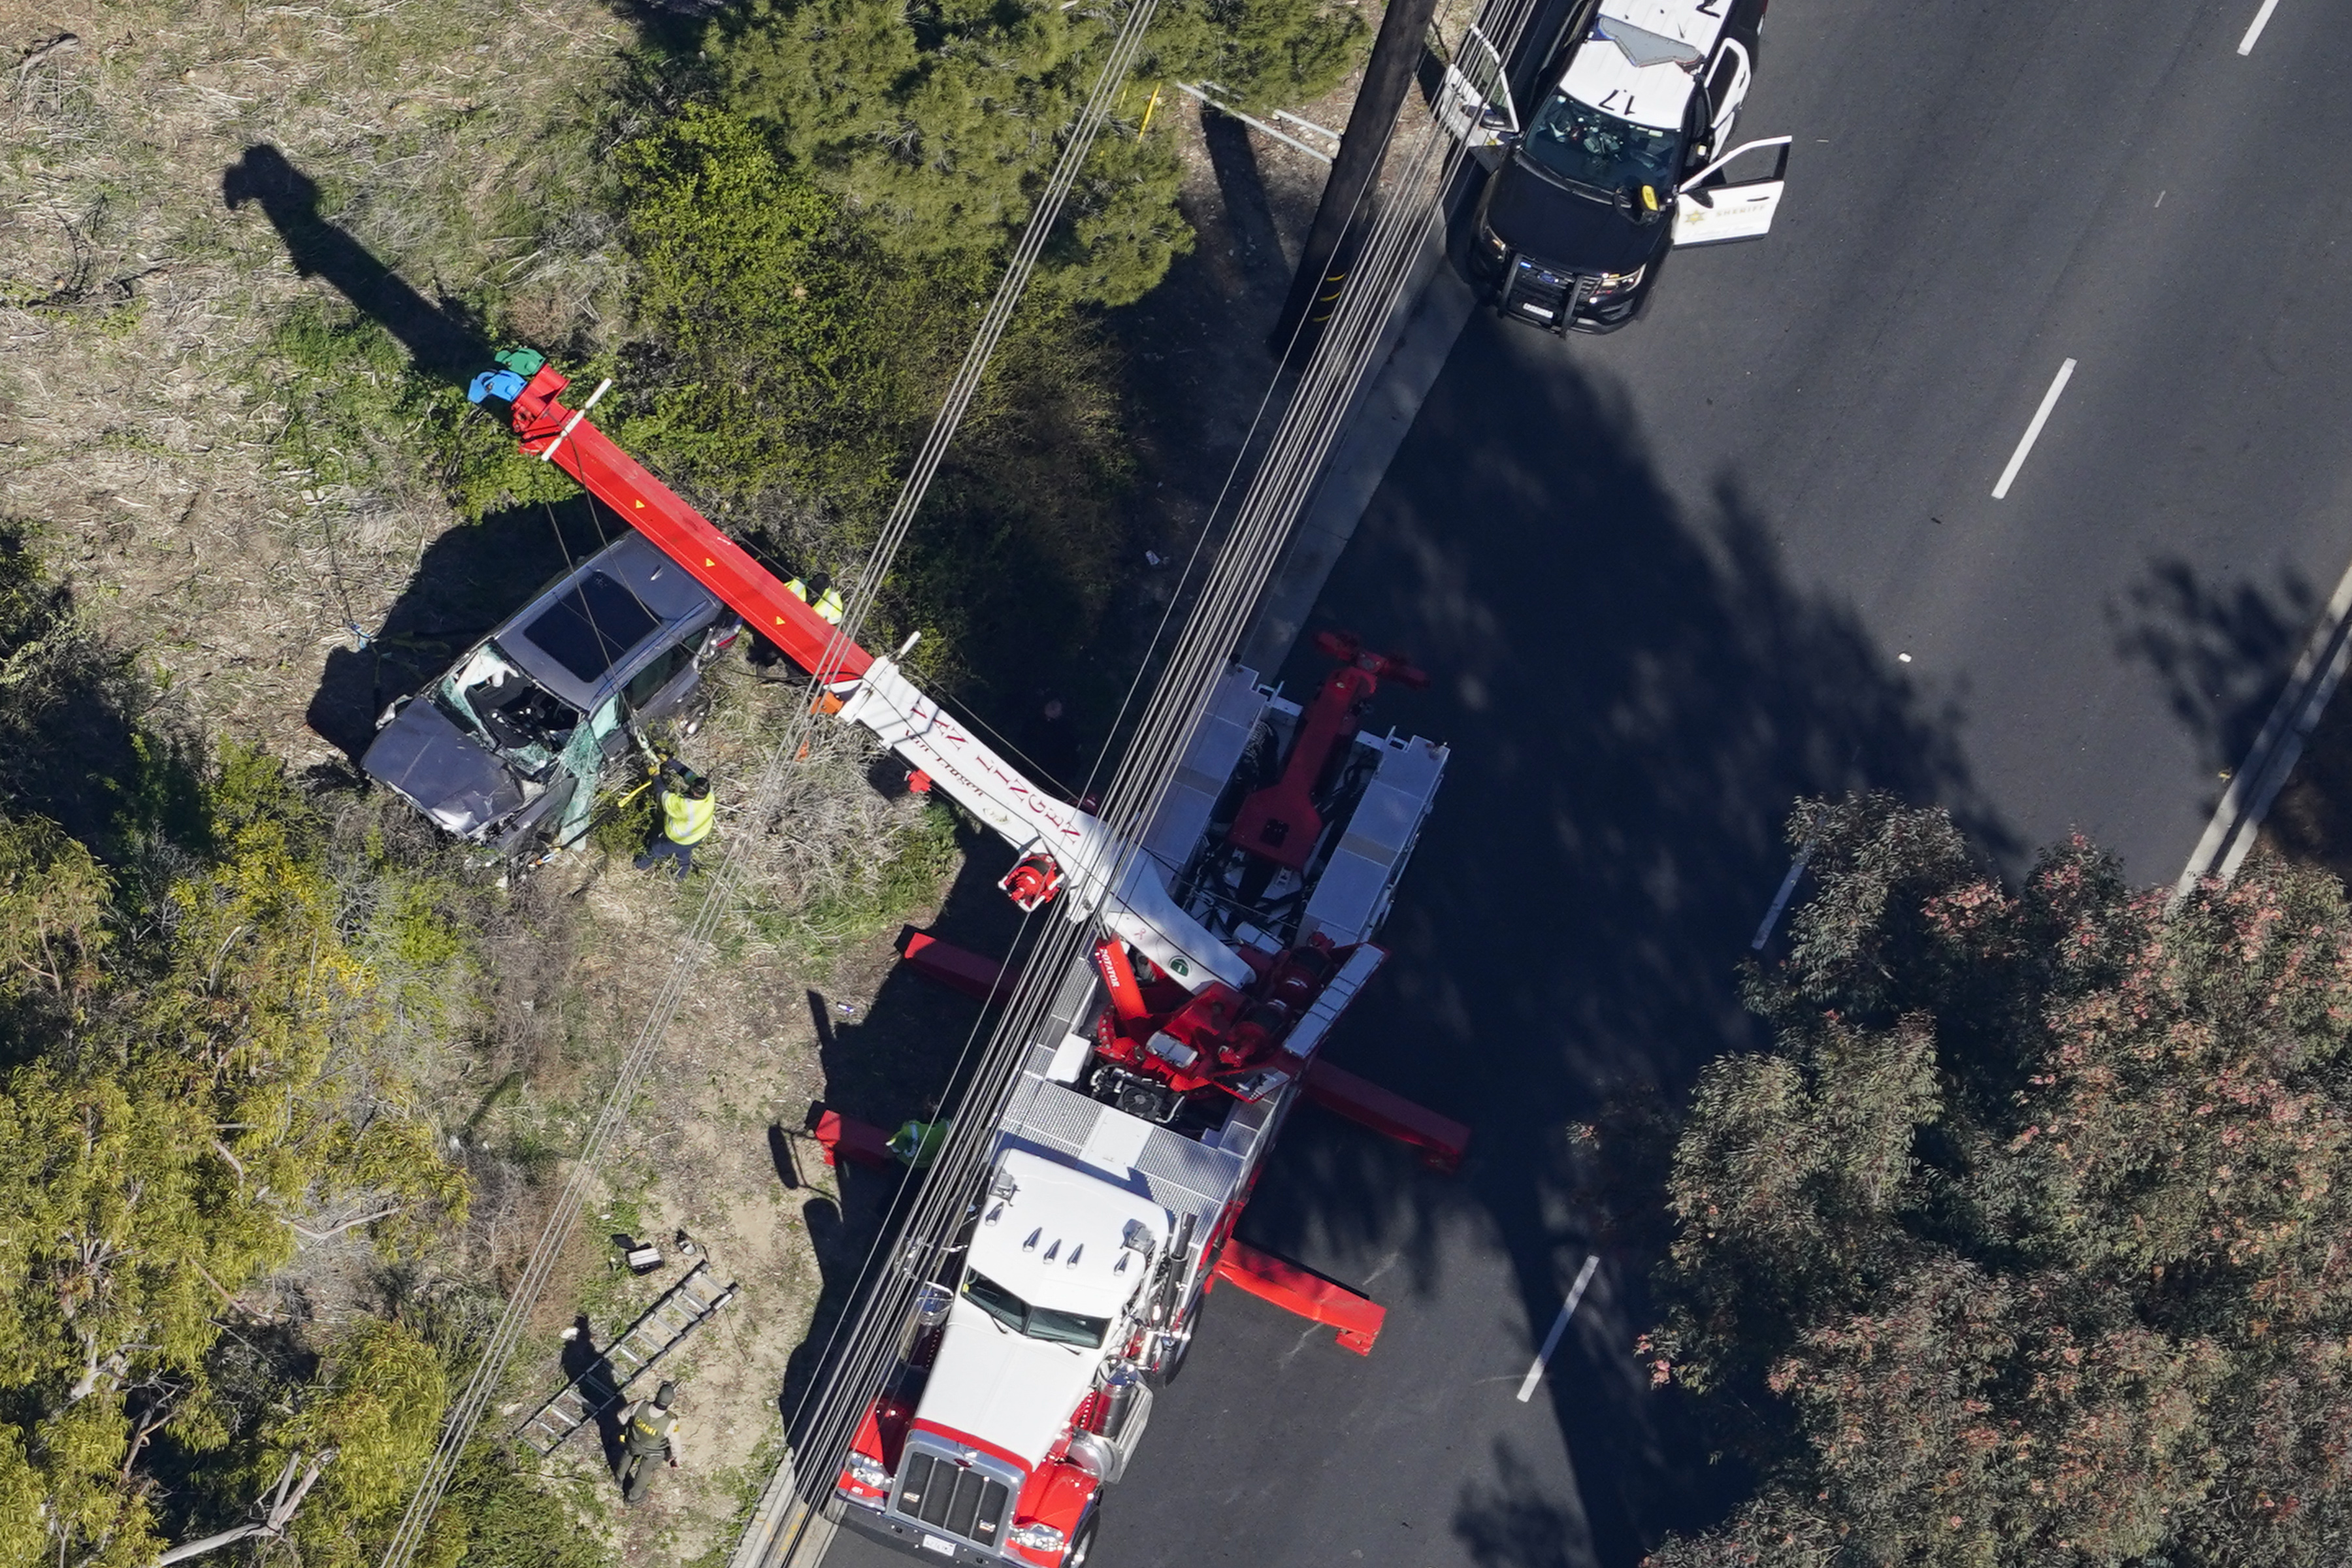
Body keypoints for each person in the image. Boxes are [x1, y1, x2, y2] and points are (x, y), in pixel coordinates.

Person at [634, 759, 713, 878]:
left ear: (695, 793)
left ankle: (640, 865)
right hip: (698, 835)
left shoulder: (686, 806)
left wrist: (655, 776)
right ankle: (680, 876)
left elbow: (662, 794)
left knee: (656, 849)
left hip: (678, 839)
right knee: (684, 853)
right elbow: (687, 773)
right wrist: (670, 761)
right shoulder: (709, 794)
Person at [615, 1381, 681, 1505]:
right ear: (670, 1403)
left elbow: (621, 1416)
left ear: (657, 1396)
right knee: (644, 1472)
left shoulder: (640, 1405)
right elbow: (675, 1444)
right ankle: (633, 1497)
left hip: (634, 1442)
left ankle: (619, 1479)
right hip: (654, 1452)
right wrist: (676, 1458)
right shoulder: (670, 1422)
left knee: (627, 1456)